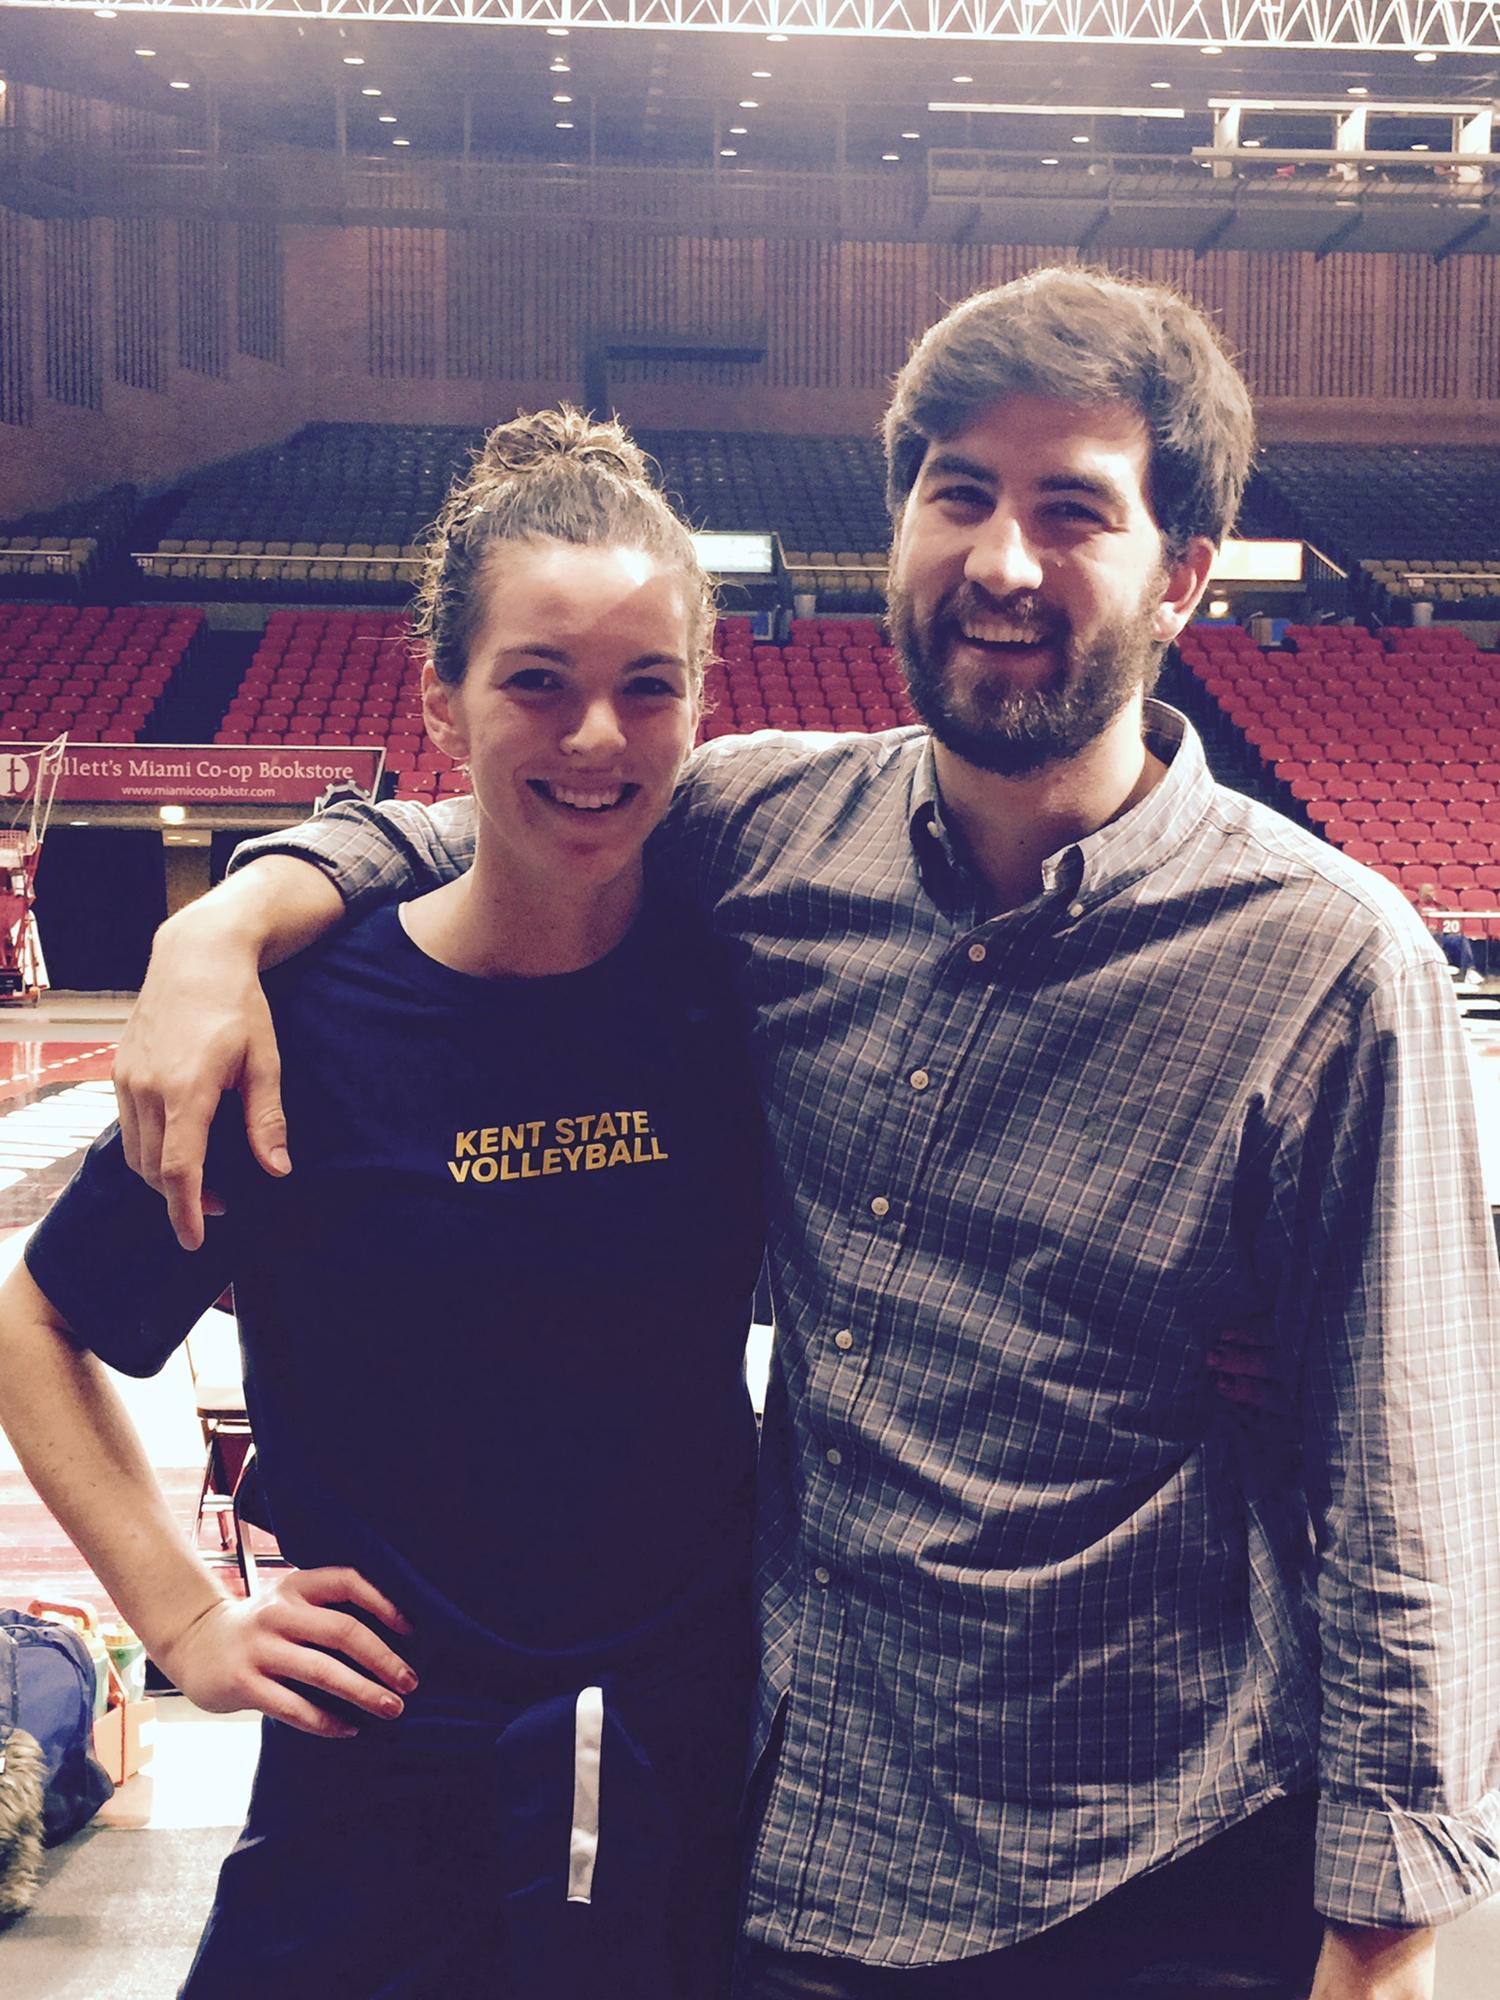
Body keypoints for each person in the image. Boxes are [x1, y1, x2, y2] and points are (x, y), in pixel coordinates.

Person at [115, 269, 1500, 2000]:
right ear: (900, 528)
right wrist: (233, 914)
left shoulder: (1330, 966)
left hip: (1146, 1872)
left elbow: (1408, 1487)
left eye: (1073, 510)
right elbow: (521, 805)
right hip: (796, 1861)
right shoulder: (766, 828)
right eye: (960, 494)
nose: (1003, 561)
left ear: (1184, 576)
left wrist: (1383, 1939)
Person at [0, 410, 764, 1999]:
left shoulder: (739, 987)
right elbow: (36, 1321)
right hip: (377, 1788)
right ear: (439, 701)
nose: (598, 738)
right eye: (536, 681)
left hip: (683, 1771)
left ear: (702, 702)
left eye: (648, 686)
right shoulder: (301, 1022)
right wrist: (184, 1621)